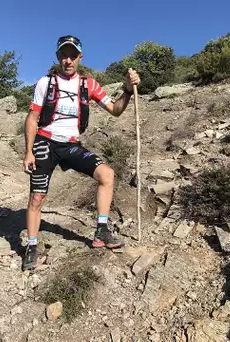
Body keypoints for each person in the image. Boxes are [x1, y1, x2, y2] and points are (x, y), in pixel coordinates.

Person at [21, 35, 141, 271]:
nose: (68, 60)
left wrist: (127, 90)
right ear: (58, 57)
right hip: (45, 142)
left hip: (71, 144)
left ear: (80, 57)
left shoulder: (89, 84)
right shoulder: (45, 83)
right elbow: (33, 118)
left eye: (72, 55)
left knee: (107, 175)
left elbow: (115, 110)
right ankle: (32, 246)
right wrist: (28, 152)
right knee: (37, 197)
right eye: (64, 55)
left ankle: (101, 231)